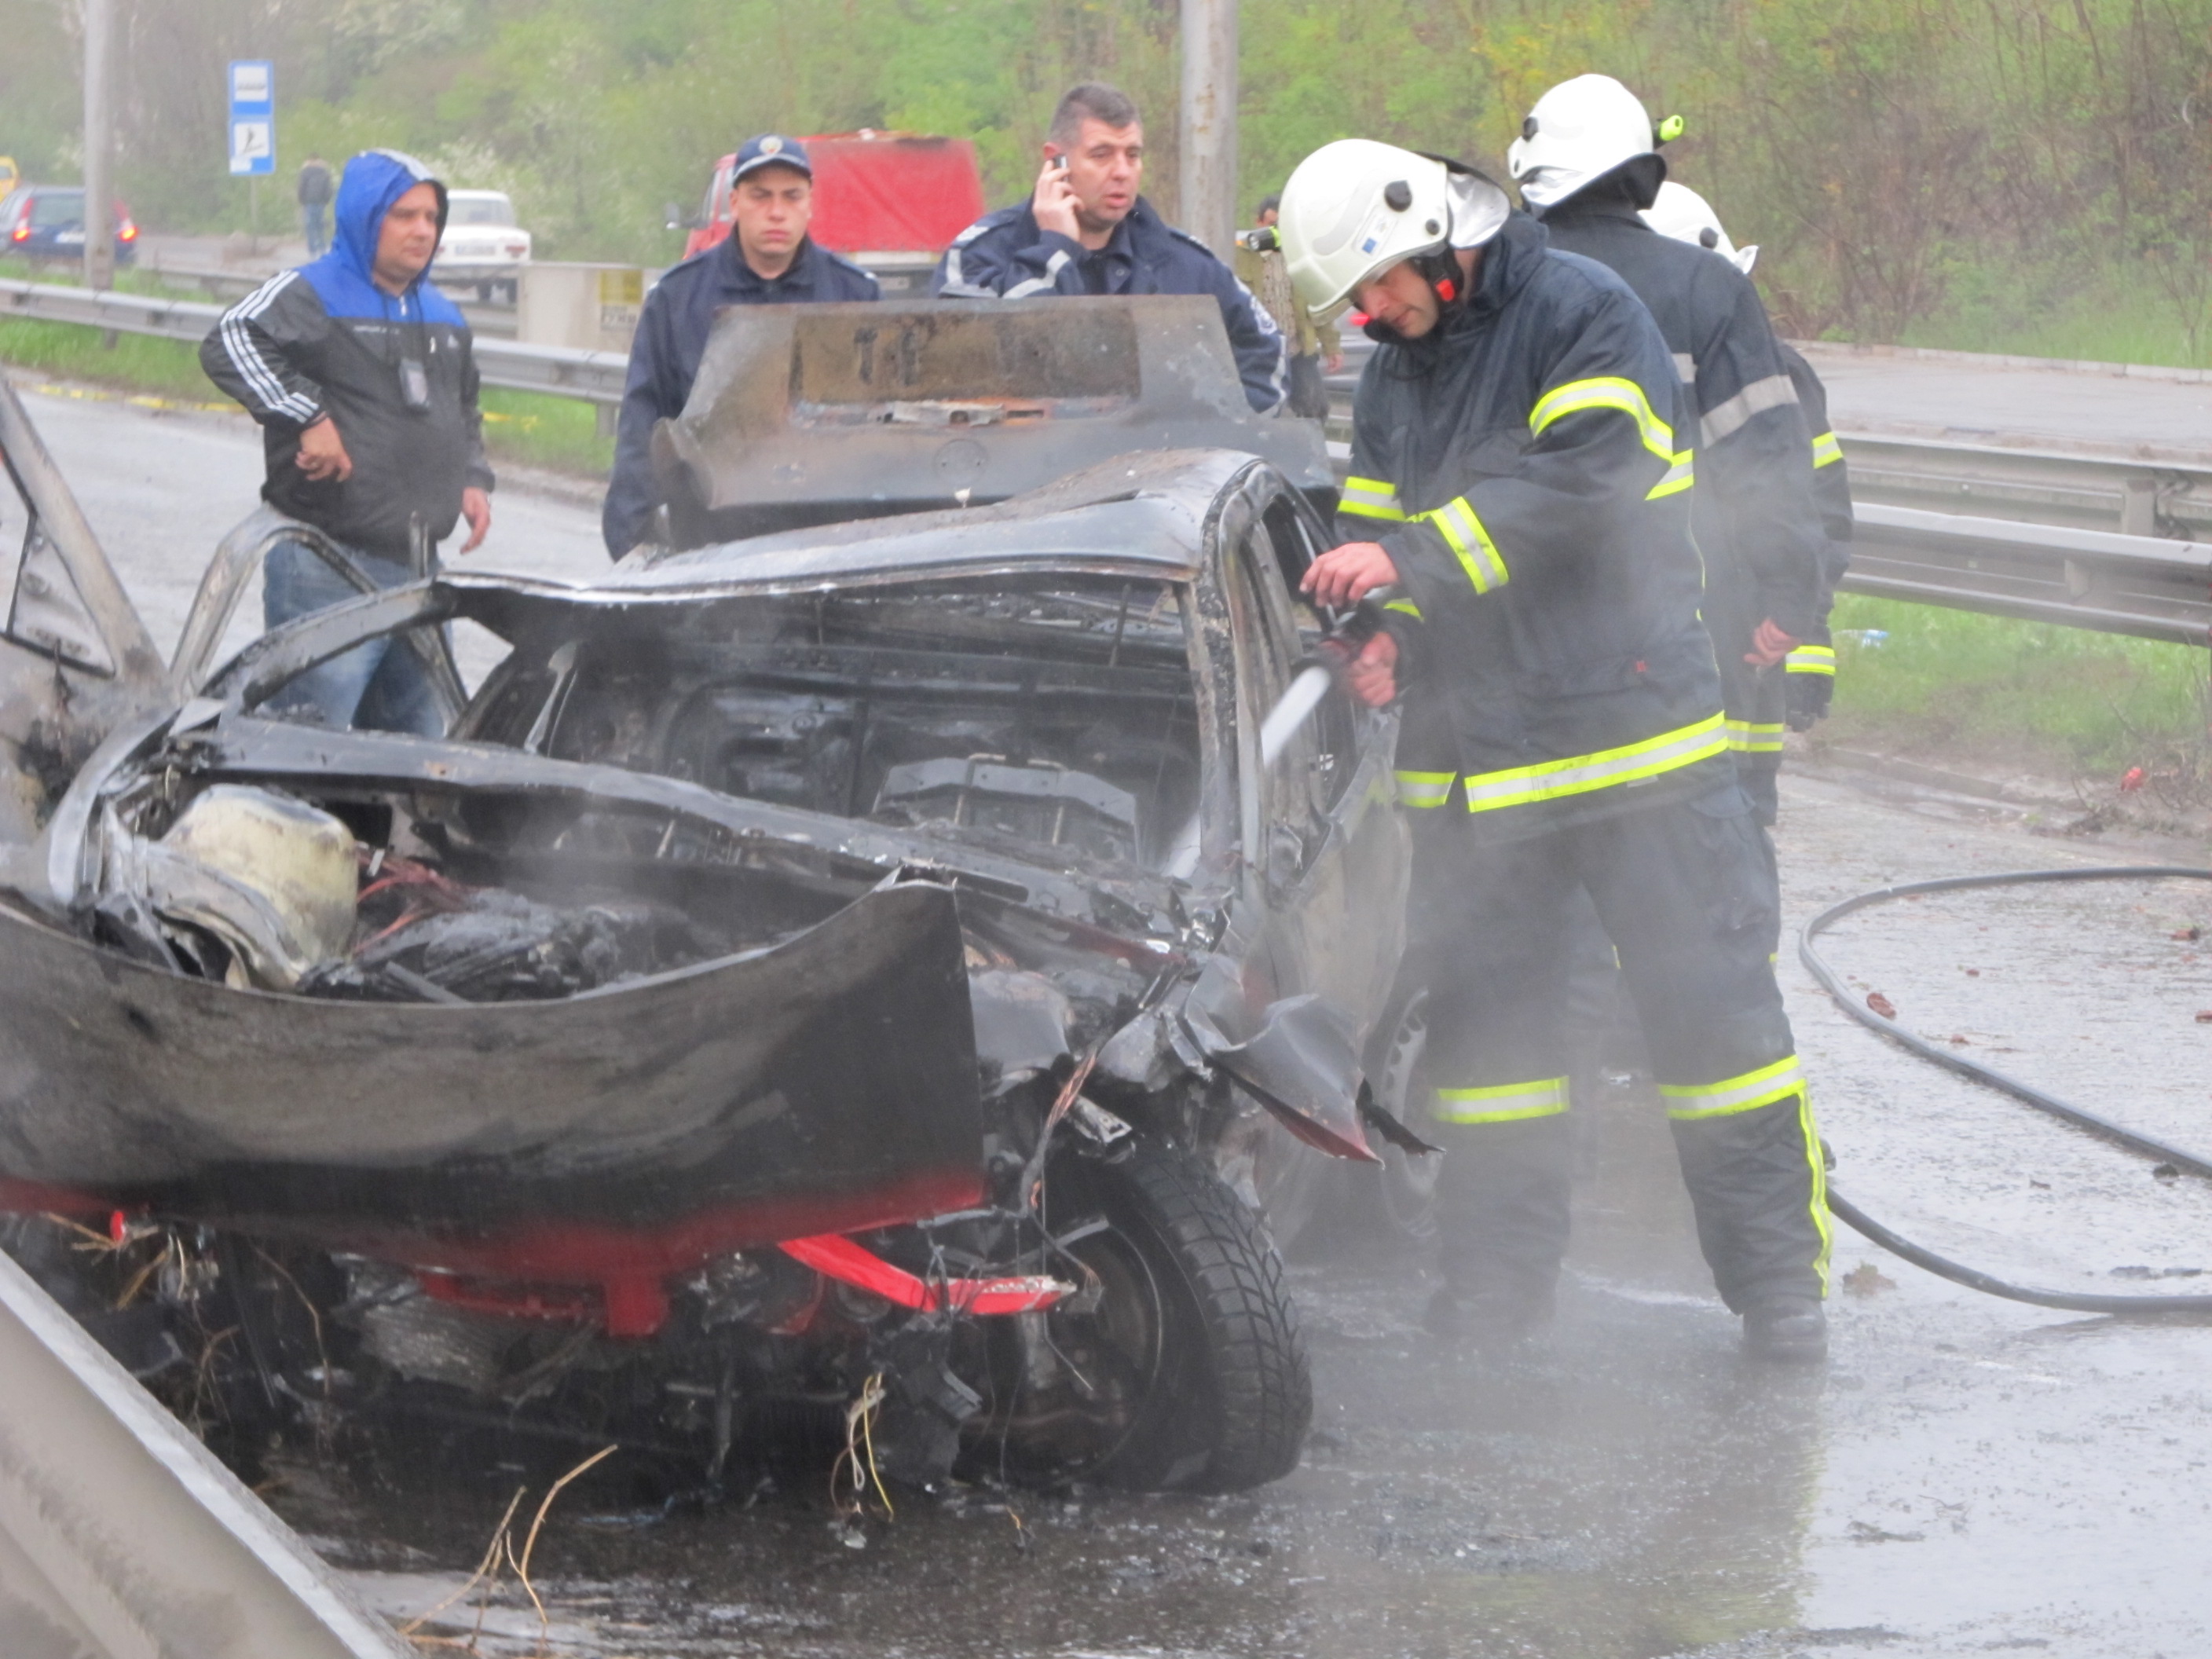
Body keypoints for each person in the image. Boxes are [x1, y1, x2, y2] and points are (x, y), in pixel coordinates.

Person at [1277, 138, 1831, 1363]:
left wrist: (1410, 564)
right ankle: (1493, 1296)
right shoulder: (1395, 376)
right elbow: (1384, 536)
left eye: (1374, 289)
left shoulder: (1583, 314)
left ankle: (1778, 1296)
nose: (1368, 318)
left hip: (1630, 750)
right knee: (1494, 1053)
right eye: (1357, 304)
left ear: (1429, 235)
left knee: (1712, 1029)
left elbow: (1591, 487)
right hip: (1481, 774)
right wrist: (1386, 636)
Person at [1509, 76, 1826, 829]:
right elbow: (1766, 462)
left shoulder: (1501, 287)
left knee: (1541, 879)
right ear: (1642, 172)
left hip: (1515, 617)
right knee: (1688, 866)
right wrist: (1790, 594)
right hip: (1682, 623)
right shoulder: (1708, 287)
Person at [202, 148, 493, 734]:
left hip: (420, 573)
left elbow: (463, 406)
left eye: (432, 218)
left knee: (426, 752)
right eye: (405, 215)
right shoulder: (310, 293)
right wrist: (308, 415)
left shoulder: (442, 313)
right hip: (326, 565)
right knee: (311, 747)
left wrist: (473, 478)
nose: (422, 230)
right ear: (366, 217)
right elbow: (229, 341)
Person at [1638, 181, 1853, 748]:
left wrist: (1809, 634)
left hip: (1748, 644)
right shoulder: (1615, 371)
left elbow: (1813, 511)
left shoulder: (1780, 373)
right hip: (1660, 655)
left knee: (1739, 812)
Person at [932, 82, 1286, 414]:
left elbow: (1266, 353)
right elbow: (1000, 368)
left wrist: (1215, 437)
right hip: (1027, 472)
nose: (1122, 172)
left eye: (1132, 155)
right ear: (1055, 162)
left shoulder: (1184, 263)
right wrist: (1054, 251)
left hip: (1159, 474)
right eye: (1101, 155)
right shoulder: (978, 256)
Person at [602, 134, 879, 556]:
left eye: (791, 196)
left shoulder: (854, 297)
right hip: (707, 538)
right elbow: (643, 421)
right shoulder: (678, 299)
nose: (776, 212)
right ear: (734, 204)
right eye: (759, 196)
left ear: (810, 203)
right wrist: (631, 540)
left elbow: (882, 431)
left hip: (824, 540)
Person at [1234, 193, 1341, 418]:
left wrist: (1332, 346)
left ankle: (1311, 450)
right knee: (1264, 410)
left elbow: (1317, 303)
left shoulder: (1297, 256)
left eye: (1283, 225)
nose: (1278, 231)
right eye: (1273, 225)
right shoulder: (1242, 257)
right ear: (1260, 223)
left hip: (1298, 348)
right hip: (1264, 351)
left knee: (1316, 408)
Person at [296, 156, 334, 258]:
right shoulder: (324, 173)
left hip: (308, 203)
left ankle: (312, 250)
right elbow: (329, 190)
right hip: (320, 203)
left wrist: (302, 200)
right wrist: (325, 201)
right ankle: (322, 247)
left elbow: (301, 188)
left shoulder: (305, 172)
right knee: (320, 225)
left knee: (310, 226)